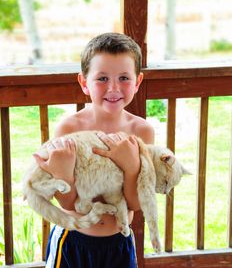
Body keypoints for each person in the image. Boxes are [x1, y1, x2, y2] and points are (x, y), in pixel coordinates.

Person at [34, 32, 154, 268]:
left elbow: (135, 204)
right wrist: (64, 174)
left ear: (138, 82)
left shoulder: (142, 131)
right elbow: (68, 204)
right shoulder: (70, 128)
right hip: (73, 240)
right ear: (84, 83)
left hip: (119, 242)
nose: (113, 88)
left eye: (123, 78)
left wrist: (131, 167)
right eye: (102, 79)